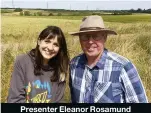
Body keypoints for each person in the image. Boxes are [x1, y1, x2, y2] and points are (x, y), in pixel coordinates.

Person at [69, 15, 148, 103]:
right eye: (85, 37)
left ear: (105, 37)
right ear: (80, 39)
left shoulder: (123, 67)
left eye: (96, 36)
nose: (90, 41)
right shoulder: (74, 64)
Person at [7, 26, 69, 103]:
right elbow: (15, 99)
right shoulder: (22, 61)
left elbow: (59, 101)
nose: (50, 47)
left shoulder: (60, 68)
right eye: (47, 41)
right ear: (39, 41)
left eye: (56, 44)